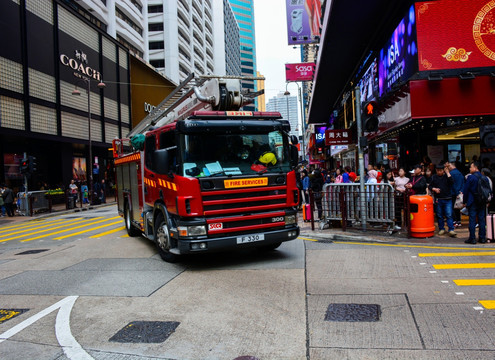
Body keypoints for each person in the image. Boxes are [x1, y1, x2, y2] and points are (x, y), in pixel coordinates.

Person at [429, 163, 456, 237]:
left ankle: (451, 229)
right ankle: (441, 228)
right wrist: (434, 189)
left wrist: (447, 173)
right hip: (439, 198)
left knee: (449, 214)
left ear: (443, 171)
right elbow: (430, 186)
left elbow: (452, 182)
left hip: (447, 198)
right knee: (439, 215)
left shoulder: (447, 176)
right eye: (437, 170)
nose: (439, 172)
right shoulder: (434, 177)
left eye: (440, 170)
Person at [463, 162, 487, 244]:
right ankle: (482, 238)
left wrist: (464, 201)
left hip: (472, 201)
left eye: (471, 167)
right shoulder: (485, 178)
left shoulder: (471, 178)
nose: (470, 168)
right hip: (482, 202)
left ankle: (472, 238)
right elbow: (488, 190)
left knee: (472, 220)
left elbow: (466, 190)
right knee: (481, 220)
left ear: (475, 168)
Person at [447, 161, 465, 228]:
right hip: (459, 192)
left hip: (453, 192)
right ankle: (459, 221)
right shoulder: (460, 173)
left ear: (451, 166)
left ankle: (454, 221)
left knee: (452, 207)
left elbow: (452, 184)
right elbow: (463, 183)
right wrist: (461, 191)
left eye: (449, 166)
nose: (448, 168)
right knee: (458, 208)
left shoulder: (451, 174)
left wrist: (456, 192)